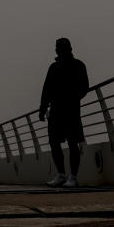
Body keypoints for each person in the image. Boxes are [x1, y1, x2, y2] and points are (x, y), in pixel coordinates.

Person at [39, 37, 89, 188]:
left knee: (73, 143)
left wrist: (73, 97)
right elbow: (46, 89)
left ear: (69, 49)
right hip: (55, 111)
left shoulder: (79, 65)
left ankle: (73, 176)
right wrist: (43, 108)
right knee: (54, 142)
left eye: (60, 47)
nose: (58, 50)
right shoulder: (53, 68)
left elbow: (84, 86)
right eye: (58, 47)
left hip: (71, 110)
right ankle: (61, 174)